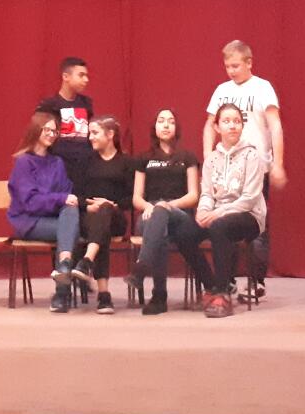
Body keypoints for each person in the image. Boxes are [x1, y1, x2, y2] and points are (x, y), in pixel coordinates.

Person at [202, 40, 284, 300]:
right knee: (224, 223)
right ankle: (226, 280)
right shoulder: (222, 90)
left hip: (255, 168)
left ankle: (255, 281)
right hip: (225, 169)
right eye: (227, 66)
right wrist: (208, 158)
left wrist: (278, 163)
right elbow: (209, 125)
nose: (231, 71)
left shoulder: (262, 88)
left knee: (255, 226)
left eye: (236, 66)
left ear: (249, 63)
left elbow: (275, 125)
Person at [174, 103, 266, 318]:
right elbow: (207, 193)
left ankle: (223, 294)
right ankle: (212, 285)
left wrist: (217, 213)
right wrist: (203, 211)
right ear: (217, 127)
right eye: (226, 121)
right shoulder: (211, 160)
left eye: (237, 121)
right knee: (184, 233)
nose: (232, 126)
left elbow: (249, 199)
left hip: (249, 216)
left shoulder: (252, 155)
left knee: (219, 227)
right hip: (217, 215)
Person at [5, 111, 82, 313]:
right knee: (69, 228)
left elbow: (65, 192)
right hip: (28, 221)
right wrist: (59, 199)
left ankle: (63, 268)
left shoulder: (57, 162)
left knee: (70, 213)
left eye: (54, 131)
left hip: (53, 219)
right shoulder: (24, 162)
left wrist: (63, 199)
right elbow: (30, 202)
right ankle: (62, 291)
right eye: (46, 129)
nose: (51, 134)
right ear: (36, 130)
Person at [129, 108, 201, 315]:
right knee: (157, 227)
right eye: (161, 121)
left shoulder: (187, 157)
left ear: (177, 128)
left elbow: (193, 195)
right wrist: (151, 207)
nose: (166, 125)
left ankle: (150, 280)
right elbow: (136, 198)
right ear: (155, 127)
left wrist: (168, 205)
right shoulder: (144, 158)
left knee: (160, 217)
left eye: (171, 121)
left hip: (180, 214)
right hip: (150, 211)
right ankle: (158, 296)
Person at [68, 116, 134, 314]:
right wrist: (88, 206)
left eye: (95, 133)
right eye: (90, 133)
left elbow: (133, 197)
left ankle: (87, 261)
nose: (91, 137)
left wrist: (113, 205)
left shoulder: (126, 162)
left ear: (110, 134)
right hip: (89, 217)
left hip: (116, 217)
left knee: (104, 213)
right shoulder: (85, 162)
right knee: (100, 230)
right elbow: (76, 194)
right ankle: (103, 295)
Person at [36, 57, 94, 188]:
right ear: (66, 77)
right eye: (81, 75)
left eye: (87, 76)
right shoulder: (49, 105)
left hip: (84, 169)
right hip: (59, 169)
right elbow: (39, 137)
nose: (86, 80)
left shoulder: (87, 104)